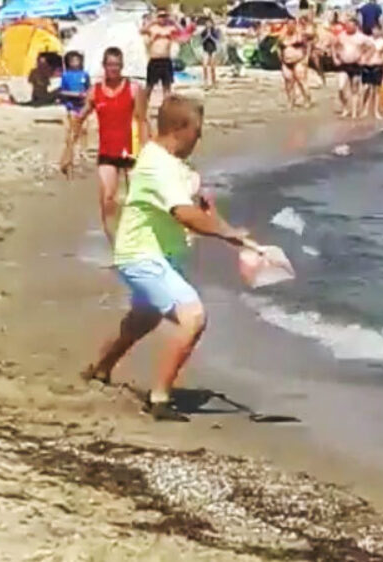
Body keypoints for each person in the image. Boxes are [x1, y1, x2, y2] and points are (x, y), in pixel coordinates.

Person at [80, 96, 253, 422]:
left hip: (161, 255)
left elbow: (198, 210)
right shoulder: (157, 165)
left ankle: (100, 369)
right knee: (193, 317)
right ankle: (159, 397)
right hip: (141, 256)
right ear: (179, 128)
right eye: (196, 132)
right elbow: (184, 213)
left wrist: (229, 232)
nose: (199, 139)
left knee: (144, 318)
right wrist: (225, 232)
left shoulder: (174, 166)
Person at [60, 47, 151, 247]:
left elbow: (142, 121)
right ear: (104, 66)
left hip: (131, 151)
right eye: (110, 65)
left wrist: (148, 152)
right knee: (107, 201)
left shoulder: (133, 89)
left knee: (138, 201)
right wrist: (68, 152)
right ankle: (117, 248)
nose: (113, 69)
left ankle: (139, 243)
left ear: (122, 66)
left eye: (117, 65)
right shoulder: (95, 91)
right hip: (107, 153)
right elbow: (78, 120)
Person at [142, 8, 179, 106]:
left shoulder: (170, 28)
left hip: (166, 60)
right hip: (154, 60)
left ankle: (167, 108)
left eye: (164, 16)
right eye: (160, 16)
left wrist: (174, 21)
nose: (162, 18)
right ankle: (143, 107)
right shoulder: (153, 28)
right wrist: (152, 22)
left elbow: (182, 31)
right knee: (149, 87)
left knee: (167, 87)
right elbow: (142, 30)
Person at [333, 20, 366, 118]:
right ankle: (345, 107)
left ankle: (354, 111)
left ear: (355, 26)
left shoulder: (361, 37)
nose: (349, 28)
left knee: (354, 88)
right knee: (341, 87)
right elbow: (334, 46)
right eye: (347, 26)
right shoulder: (341, 36)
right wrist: (335, 58)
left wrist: (364, 58)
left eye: (351, 26)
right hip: (343, 64)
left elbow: (371, 47)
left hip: (356, 64)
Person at [59, 51, 90, 149]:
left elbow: (89, 88)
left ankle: (83, 148)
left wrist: (86, 95)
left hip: (83, 105)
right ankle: (72, 146)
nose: (75, 62)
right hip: (71, 105)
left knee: (84, 128)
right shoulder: (65, 75)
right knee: (73, 127)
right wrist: (74, 94)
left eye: (77, 60)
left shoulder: (85, 74)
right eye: (72, 61)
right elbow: (62, 91)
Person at [280, 20, 312, 109]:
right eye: (288, 24)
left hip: (299, 61)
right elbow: (279, 48)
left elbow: (308, 45)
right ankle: (291, 101)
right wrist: (281, 60)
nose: (290, 26)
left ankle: (307, 99)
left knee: (301, 81)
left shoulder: (300, 35)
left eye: (292, 24)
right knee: (288, 82)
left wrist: (306, 58)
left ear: (295, 25)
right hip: (286, 62)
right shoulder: (282, 36)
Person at [197, 10, 220, 88]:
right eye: (207, 23)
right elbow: (201, 41)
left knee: (212, 67)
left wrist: (211, 36)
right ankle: (206, 81)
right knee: (205, 66)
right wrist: (207, 36)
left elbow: (217, 41)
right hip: (205, 49)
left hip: (213, 49)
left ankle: (214, 82)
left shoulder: (215, 31)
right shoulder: (203, 32)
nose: (208, 24)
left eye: (209, 23)